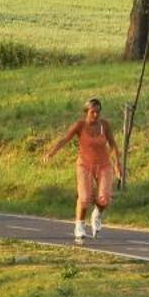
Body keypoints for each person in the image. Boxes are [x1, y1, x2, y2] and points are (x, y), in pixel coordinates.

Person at [42, 97, 122, 242]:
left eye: (98, 112)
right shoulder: (80, 125)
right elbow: (65, 139)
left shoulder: (104, 125)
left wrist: (117, 165)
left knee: (105, 198)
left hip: (104, 164)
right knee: (84, 198)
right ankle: (79, 225)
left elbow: (113, 145)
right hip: (85, 164)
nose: (96, 115)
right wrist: (51, 152)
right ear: (86, 112)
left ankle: (96, 214)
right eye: (93, 112)